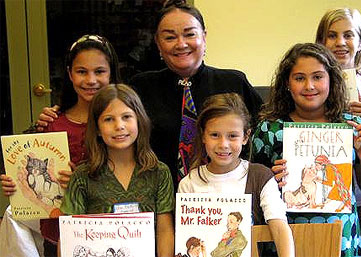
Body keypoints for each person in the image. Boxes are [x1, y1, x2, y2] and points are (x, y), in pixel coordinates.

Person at [251, 43, 361, 257]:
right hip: (284, 239)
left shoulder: (351, 126)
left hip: (341, 238)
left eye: (318, 77)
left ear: (331, 79)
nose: (309, 86)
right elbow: (252, 194)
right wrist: (270, 180)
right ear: (287, 83)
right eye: (299, 78)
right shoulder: (269, 129)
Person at [0, 34, 120, 257]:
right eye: (82, 71)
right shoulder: (54, 122)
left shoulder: (122, 124)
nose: (91, 80)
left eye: (100, 71)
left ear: (112, 73)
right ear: (69, 74)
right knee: (12, 215)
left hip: (108, 221)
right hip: (59, 218)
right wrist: (14, 183)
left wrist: (84, 180)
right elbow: (28, 170)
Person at [128, 0, 263, 187]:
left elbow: (262, 138)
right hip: (157, 196)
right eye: (169, 37)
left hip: (227, 199)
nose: (181, 44)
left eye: (189, 34)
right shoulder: (141, 87)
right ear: (158, 43)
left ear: (204, 37)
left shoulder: (234, 83)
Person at [60, 84, 174, 257]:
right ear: (97, 129)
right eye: (108, 119)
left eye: (126, 117)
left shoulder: (159, 172)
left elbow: (165, 230)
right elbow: (68, 236)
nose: (119, 126)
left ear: (139, 121)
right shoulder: (82, 177)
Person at [178, 93, 294, 257]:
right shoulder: (189, 183)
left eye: (232, 136)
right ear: (203, 135)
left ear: (246, 137)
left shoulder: (260, 177)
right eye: (215, 135)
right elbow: (186, 239)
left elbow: (280, 226)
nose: (223, 144)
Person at [315, 8, 361, 257]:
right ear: (321, 42)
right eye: (331, 36)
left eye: (349, 35)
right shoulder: (312, 85)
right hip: (321, 203)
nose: (340, 42)